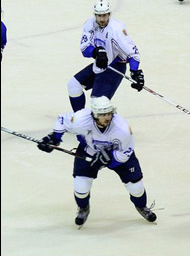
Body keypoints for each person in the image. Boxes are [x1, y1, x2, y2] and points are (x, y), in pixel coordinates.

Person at [36, 96, 157, 227]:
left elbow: (126, 152)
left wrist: (108, 159)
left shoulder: (122, 128)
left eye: (109, 113)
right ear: (94, 114)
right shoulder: (81, 119)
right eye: (102, 114)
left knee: (136, 187)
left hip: (117, 154)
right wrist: (54, 138)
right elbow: (62, 120)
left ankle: (141, 206)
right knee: (80, 187)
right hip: (89, 151)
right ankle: (83, 208)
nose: (107, 117)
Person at [67, 0, 144, 112]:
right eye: (99, 16)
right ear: (95, 15)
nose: (102, 19)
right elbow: (84, 49)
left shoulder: (116, 30)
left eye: (104, 15)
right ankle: (80, 119)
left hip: (116, 66)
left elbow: (133, 53)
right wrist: (96, 51)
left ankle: (105, 126)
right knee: (73, 85)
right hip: (100, 64)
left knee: (97, 102)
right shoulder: (90, 24)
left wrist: (135, 72)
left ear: (109, 14)